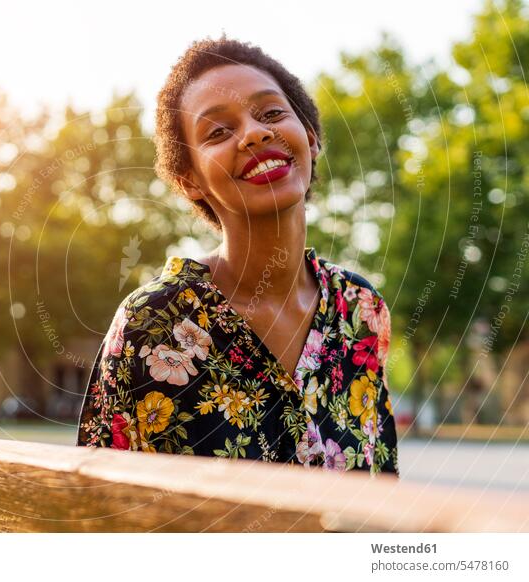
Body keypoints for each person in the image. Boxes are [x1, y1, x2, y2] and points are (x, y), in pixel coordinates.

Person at [76, 35, 399, 475]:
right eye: (218, 132)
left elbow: (381, 482)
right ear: (190, 180)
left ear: (310, 137)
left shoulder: (362, 310)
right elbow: (101, 507)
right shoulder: (153, 323)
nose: (255, 133)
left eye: (271, 113)